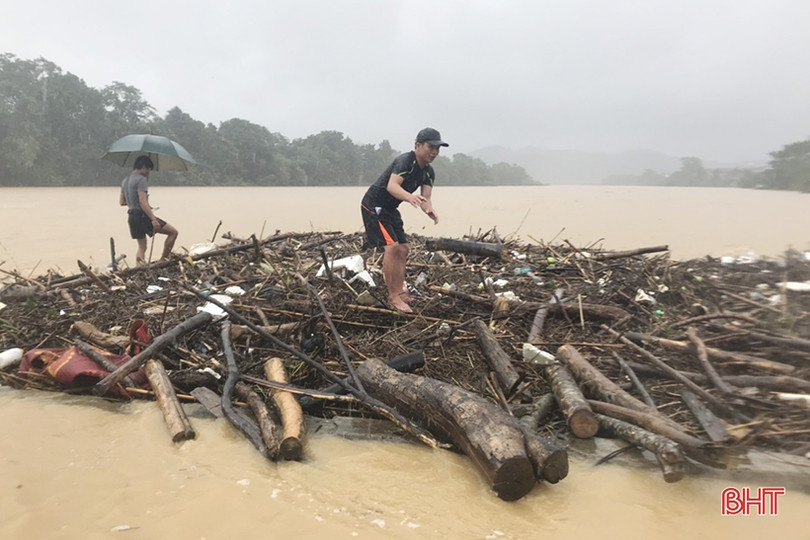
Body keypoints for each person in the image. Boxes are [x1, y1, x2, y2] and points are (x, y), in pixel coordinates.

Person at [361, 127, 448, 313]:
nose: (434, 152)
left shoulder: (429, 172)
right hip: (374, 205)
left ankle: (400, 291)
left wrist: (429, 210)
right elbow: (392, 187)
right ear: (418, 145)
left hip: (391, 208)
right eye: (431, 147)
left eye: (438, 148)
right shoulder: (405, 161)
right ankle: (393, 296)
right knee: (392, 247)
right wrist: (409, 197)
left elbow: (426, 197)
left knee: (404, 248)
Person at [119, 155, 178, 265]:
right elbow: (142, 201)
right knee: (173, 232)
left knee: (142, 247)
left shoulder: (125, 181)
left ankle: (138, 269)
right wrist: (153, 219)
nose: (149, 172)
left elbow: (122, 202)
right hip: (142, 216)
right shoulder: (141, 180)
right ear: (144, 167)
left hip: (132, 216)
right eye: (149, 169)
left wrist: (139, 201)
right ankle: (163, 260)